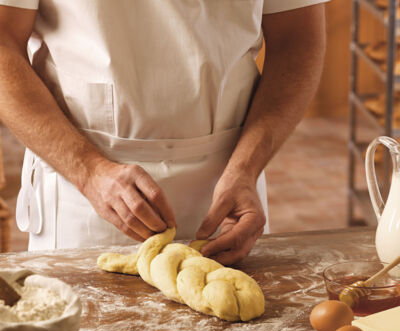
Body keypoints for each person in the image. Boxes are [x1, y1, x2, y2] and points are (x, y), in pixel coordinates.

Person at [0, 0, 326, 264]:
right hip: (83, 198)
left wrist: (246, 168)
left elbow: (297, 39)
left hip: (228, 189)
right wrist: (89, 172)